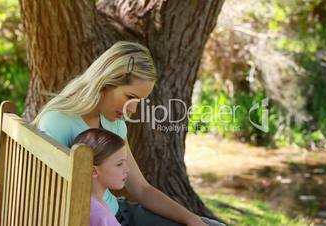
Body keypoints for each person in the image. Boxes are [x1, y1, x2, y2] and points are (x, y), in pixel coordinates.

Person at [33, 41, 225, 226]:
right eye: (130, 97)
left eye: (139, 101)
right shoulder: (59, 122)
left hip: (118, 213)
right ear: (106, 82)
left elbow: (141, 189)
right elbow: (47, 196)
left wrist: (190, 219)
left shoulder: (114, 124)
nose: (132, 109)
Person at [73, 128, 129, 226]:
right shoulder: (100, 215)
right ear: (94, 171)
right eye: (119, 164)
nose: (127, 169)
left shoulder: (82, 201)